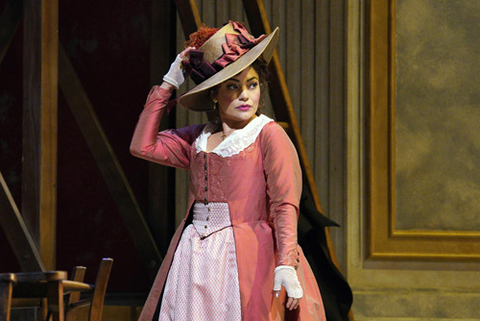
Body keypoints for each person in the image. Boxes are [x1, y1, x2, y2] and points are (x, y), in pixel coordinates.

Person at [130, 21, 326, 321]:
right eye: (233, 87)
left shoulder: (267, 135)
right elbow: (142, 146)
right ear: (214, 95)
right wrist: (169, 82)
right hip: (195, 255)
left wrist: (287, 263)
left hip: (248, 255)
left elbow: (285, 204)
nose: (245, 96)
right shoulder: (198, 139)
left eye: (252, 84)